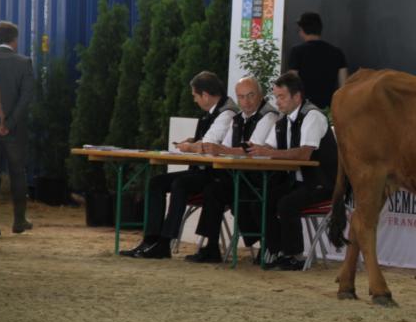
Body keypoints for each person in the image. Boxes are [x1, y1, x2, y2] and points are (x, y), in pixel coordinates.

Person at [120, 71, 237, 259]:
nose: (194, 100)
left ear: (205, 95)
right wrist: (193, 142)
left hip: (217, 175)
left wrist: (189, 146)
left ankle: (165, 242)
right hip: (203, 170)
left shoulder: (227, 113)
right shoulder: (212, 112)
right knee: (157, 182)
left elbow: (207, 145)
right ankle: (151, 239)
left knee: (180, 184)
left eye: (195, 96)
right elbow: (205, 141)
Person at [247, 71, 337, 270]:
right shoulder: (283, 121)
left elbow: (304, 154)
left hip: (322, 183)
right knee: (259, 203)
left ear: (297, 97)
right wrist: (257, 151)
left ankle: (295, 255)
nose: (277, 102)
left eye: (281, 97)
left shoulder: (312, 116)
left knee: (286, 204)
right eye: (276, 97)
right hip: (297, 182)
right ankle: (276, 250)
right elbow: (269, 148)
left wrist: (268, 152)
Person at [184, 77, 278, 263]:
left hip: (262, 179)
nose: (246, 101)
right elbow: (223, 147)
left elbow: (253, 149)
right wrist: (213, 149)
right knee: (213, 190)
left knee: (242, 197)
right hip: (240, 177)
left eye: (251, 96)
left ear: (261, 95)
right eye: (241, 97)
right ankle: (212, 248)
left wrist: (220, 150)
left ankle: (267, 244)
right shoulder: (238, 118)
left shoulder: (269, 116)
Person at [0, 22, 34, 237]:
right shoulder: (24, 62)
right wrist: (10, 123)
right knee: (17, 174)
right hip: (14, 132)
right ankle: (19, 221)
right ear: (14, 40)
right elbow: (26, 98)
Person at [286, 12, 348, 109]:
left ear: (302, 30)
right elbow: (343, 86)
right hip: (329, 108)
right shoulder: (337, 52)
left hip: (304, 109)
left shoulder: (297, 52)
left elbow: (291, 82)